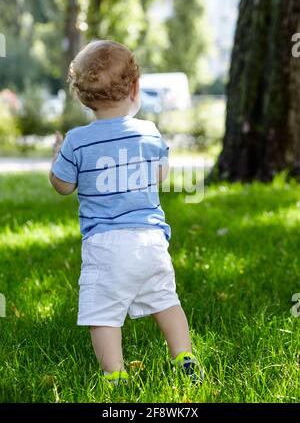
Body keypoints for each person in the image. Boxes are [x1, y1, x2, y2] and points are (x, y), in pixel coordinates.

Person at [49, 39, 203, 385]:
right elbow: (161, 174)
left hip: (106, 244)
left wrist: (57, 156)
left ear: (83, 97)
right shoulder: (149, 132)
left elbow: (62, 185)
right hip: (151, 242)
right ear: (135, 87)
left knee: (103, 314)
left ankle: (114, 374)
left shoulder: (76, 140)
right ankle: (184, 356)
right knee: (166, 301)